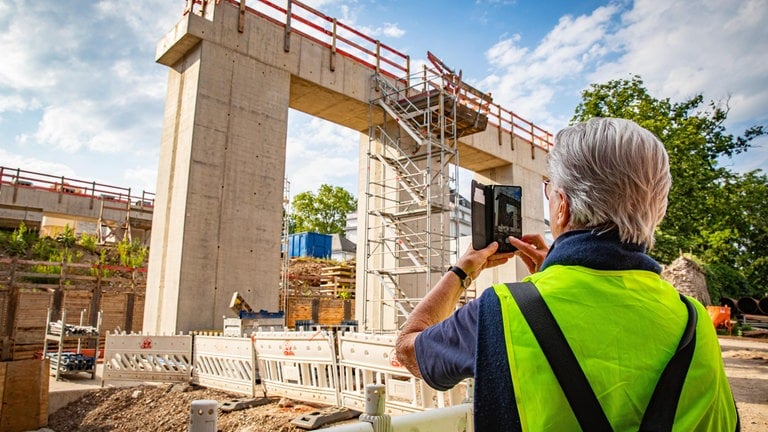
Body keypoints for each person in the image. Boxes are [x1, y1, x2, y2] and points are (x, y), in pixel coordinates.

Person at [395, 117, 739, 431]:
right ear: (657, 210)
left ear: (563, 204)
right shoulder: (695, 323)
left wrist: (462, 270)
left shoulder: (503, 311)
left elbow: (409, 349)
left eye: (550, 192)